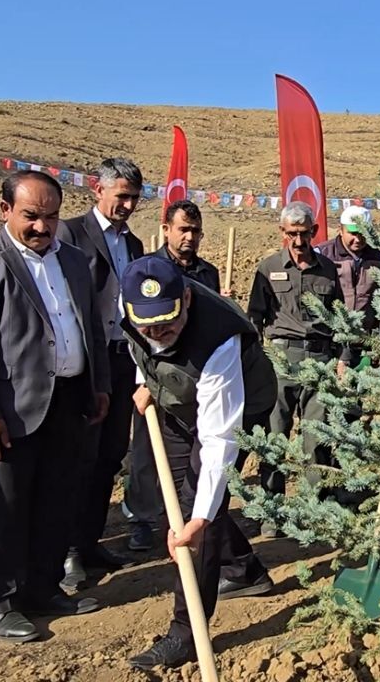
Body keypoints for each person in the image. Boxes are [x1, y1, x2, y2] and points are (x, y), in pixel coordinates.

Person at [0, 170, 111, 643]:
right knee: (4, 509)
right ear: (5, 212)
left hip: (68, 400)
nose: (43, 227)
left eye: (52, 217)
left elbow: (91, 329)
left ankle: (43, 588)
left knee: (56, 501)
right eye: (31, 216)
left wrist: (98, 384)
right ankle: (0, 602)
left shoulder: (76, 262)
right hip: (7, 410)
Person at [121, 256, 275, 670]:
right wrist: (146, 381)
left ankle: (186, 633)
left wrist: (200, 519)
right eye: (147, 326)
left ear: (186, 297)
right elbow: (143, 347)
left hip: (239, 406)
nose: (158, 334)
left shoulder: (218, 339)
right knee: (175, 491)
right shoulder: (134, 309)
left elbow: (218, 441)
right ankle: (244, 569)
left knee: (196, 510)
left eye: (168, 323)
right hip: (176, 400)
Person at [56, 158, 145, 590]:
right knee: (78, 457)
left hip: (121, 358)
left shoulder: (135, 244)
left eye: (133, 198)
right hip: (84, 363)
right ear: (98, 189)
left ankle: (90, 542)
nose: (126, 205)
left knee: (110, 454)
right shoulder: (69, 235)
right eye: (121, 195)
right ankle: (68, 549)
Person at [126, 199, 220, 551]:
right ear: (166, 229)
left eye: (195, 231)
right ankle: (141, 519)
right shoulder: (146, 271)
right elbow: (136, 329)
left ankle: (184, 516)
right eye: (183, 229)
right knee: (147, 453)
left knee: (191, 450)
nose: (189, 237)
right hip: (153, 376)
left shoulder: (206, 273)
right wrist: (143, 381)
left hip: (192, 377)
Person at [247, 202, 346, 521]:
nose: (299, 241)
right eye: (292, 234)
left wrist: (343, 358)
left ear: (315, 232)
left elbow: (339, 319)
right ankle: (271, 513)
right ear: (282, 233)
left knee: (316, 439)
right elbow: (254, 319)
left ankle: (312, 509)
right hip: (280, 360)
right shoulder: (267, 268)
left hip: (319, 359)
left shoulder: (329, 270)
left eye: (304, 233)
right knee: (275, 436)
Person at [316, 206, 380, 338]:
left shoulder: (378, 257)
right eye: (353, 233)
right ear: (340, 230)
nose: (358, 239)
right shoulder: (322, 254)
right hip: (331, 337)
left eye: (362, 233)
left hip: (366, 339)